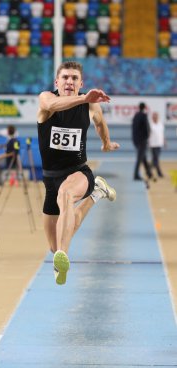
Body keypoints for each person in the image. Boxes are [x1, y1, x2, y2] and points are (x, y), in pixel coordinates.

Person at [37, 61, 120, 286]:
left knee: (66, 195)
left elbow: (101, 124)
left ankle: (62, 258)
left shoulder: (90, 106)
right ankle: (97, 193)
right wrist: (85, 98)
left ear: (80, 83)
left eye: (74, 78)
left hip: (78, 172)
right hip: (50, 178)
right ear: (57, 82)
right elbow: (53, 103)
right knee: (54, 244)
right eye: (65, 77)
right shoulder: (46, 99)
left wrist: (106, 143)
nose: (69, 82)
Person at [132, 102, 152, 181]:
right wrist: (147, 137)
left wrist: (134, 139)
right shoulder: (144, 116)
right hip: (142, 140)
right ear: (144, 108)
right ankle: (136, 174)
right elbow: (147, 128)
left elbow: (133, 129)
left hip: (136, 140)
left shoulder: (135, 116)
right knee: (140, 158)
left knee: (143, 157)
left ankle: (149, 173)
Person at [149, 112, 165, 178]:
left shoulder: (160, 124)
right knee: (156, 159)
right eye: (154, 116)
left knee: (154, 160)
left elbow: (162, 134)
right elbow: (148, 134)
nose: (155, 117)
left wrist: (164, 141)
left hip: (159, 144)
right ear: (152, 117)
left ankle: (149, 171)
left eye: (156, 116)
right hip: (153, 144)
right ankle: (159, 173)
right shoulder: (150, 125)